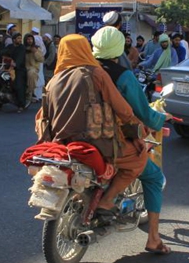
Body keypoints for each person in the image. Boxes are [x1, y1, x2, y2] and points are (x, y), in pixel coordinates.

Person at [36, 33, 140, 219]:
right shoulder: (96, 73)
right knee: (138, 160)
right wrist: (136, 124)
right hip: (96, 144)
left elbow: (42, 118)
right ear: (86, 50)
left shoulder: (53, 81)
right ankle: (107, 201)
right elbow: (123, 109)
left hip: (61, 145)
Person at [92, 26, 171, 254]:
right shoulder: (122, 76)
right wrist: (160, 119)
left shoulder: (79, 70)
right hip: (110, 141)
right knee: (154, 177)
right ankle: (154, 238)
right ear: (120, 48)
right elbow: (142, 112)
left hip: (75, 138)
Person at [0, 32, 28, 112]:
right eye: (18, 38)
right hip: (9, 68)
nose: (19, 40)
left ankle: (21, 105)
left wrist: (16, 64)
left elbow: (20, 57)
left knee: (19, 85)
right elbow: (1, 53)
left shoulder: (22, 47)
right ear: (14, 39)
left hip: (19, 69)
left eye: (20, 38)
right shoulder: (10, 47)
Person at [24, 33, 45, 103]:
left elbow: (41, 59)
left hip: (33, 68)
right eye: (28, 39)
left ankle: (30, 92)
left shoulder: (36, 48)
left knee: (31, 73)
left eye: (31, 39)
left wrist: (35, 52)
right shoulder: (23, 48)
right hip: (22, 68)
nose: (29, 41)